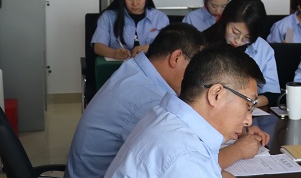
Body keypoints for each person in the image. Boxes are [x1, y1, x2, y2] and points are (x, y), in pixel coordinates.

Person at [65, 23, 268, 178]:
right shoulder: (146, 100)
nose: (199, 73)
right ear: (215, 94)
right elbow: (183, 162)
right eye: (248, 105)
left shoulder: (155, 99)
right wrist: (239, 150)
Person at [105, 43, 265, 178]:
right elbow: (186, 164)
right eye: (248, 105)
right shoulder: (186, 156)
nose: (248, 120)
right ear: (216, 94)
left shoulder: (162, 116)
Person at [204, 0, 280, 107]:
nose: (238, 40)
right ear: (226, 19)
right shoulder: (202, 43)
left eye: (247, 37)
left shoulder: (263, 49)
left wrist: (244, 104)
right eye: (235, 32)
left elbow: (271, 94)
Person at [91, 0, 169, 59]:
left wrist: (149, 48)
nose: (135, 3)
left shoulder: (160, 18)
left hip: (150, 65)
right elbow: (98, 47)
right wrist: (114, 53)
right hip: (118, 65)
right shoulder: (108, 17)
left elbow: (169, 47)